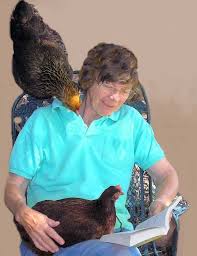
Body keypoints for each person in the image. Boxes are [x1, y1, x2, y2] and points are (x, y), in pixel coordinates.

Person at [4, 42, 179, 256]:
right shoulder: (43, 121)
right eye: (108, 87)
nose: (115, 98)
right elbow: (14, 187)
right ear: (89, 80)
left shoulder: (131, 122)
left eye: (123, 91)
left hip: (109, 239)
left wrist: (161, 202)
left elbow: (167, 175)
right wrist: (23, 213)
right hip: (49, 238)